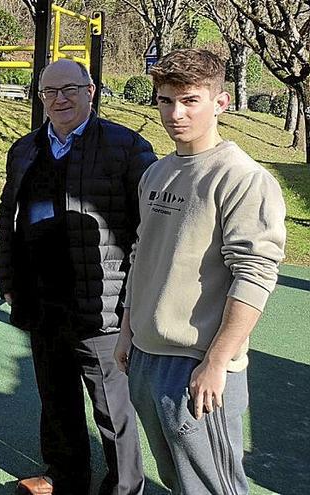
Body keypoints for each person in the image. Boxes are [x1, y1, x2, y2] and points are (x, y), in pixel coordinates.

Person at [115, 48, 286, 495]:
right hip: (145, 356)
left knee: (211, 487)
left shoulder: (242, 177)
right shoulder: (155, 173)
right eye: (166, 100)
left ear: (220, 103)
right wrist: (127, 328)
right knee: (177, 481)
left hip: (198, 364)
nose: (176, 113)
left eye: (190, 100)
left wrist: (218, 360)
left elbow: (255, 274)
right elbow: (142, 254)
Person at [0, 59, 155, 495]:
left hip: (100, 305)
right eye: (50, 92)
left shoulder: (126, 148)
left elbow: (149, 230)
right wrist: (7, 278)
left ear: (92, 90)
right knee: (55, 400)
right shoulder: (24, 150)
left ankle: (124, 488)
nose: (60, 99)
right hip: (41, 301)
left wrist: (132, 300)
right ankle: (65, 476)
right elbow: (9, 218)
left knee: (112, 410)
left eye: (70, 89)